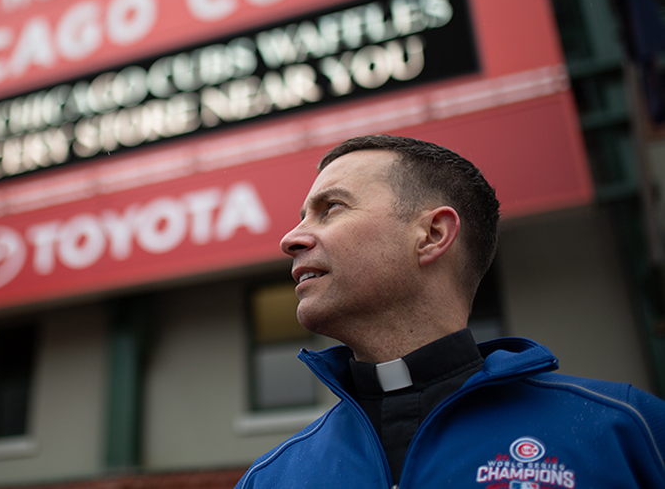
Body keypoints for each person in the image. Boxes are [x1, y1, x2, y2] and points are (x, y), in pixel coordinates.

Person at [235, 134, 665, 488]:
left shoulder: (625, 429)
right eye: (302, 216)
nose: (290, 238)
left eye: (331, 209)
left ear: (432, 234)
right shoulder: (271, 477)